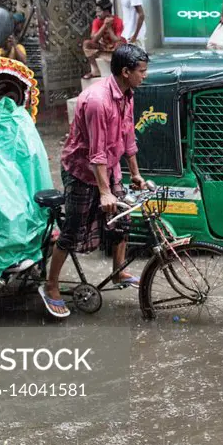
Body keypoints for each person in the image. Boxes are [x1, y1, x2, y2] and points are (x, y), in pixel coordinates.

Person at [39, 44, 151, 318]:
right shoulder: (98, 101)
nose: (145, 76)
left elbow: (127, 138)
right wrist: (104, 193)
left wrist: (135, 174)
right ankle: (51, 285)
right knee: (73, 230)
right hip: (81, 170)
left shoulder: (127, 93)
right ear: (126, 72)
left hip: (108, 166)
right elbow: (95, 152)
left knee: (122, 218)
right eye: (142, 71)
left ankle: (118, 270)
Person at [82, 0, 125, 79]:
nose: (97, 14)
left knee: (121, 43)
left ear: (106, 12)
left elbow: (117, 39)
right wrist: (104, 25)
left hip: (115, 49)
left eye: (99, 12)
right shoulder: (96, 21)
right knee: (86, 44)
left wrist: (109, 28)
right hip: (103, 47)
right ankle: (95, 70)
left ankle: (119, 71)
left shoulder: (118, 21)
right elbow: (94, 39)